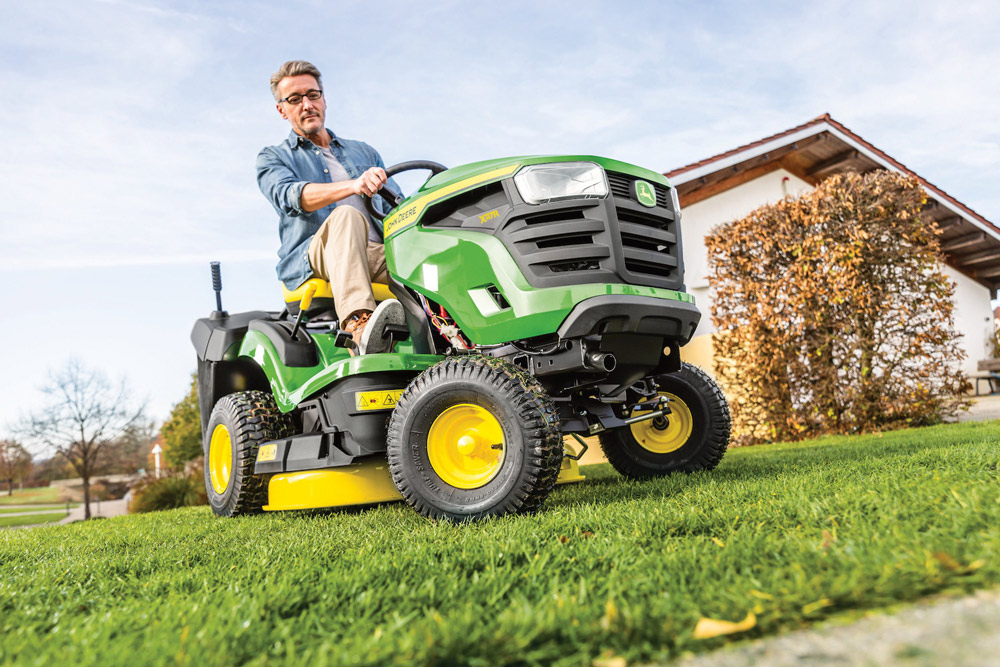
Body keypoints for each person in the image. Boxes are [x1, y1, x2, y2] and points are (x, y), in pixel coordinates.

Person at [256, 60, 403, 354]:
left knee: (435, 249)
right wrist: (353, 185)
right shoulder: (273, 157)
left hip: (375, 254)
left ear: (323, 98)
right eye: (295, 99)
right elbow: (292, 196)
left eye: (312, 95)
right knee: (345, 216)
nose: (307, 105)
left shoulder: (364, 151)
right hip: (315, 256)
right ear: (281, 110)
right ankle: (359, 328)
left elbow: (397, 207)